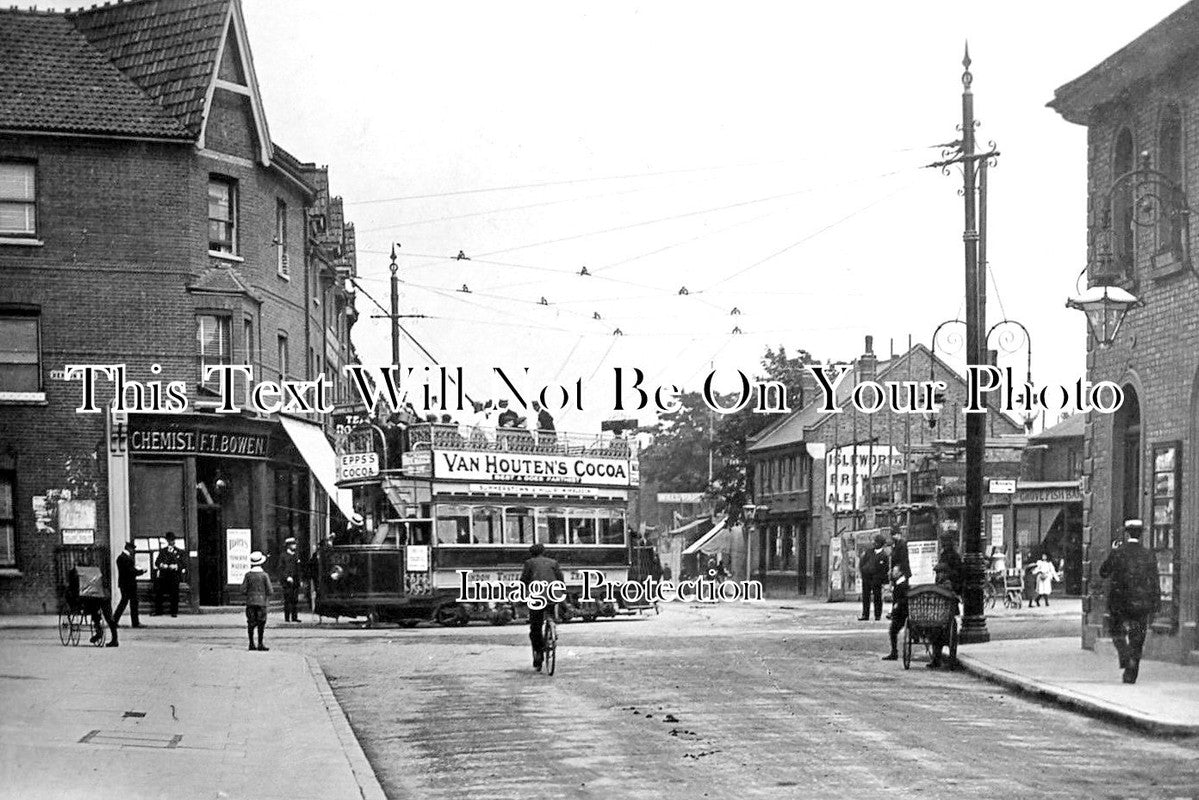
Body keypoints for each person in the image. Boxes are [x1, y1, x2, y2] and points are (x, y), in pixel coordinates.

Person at [1099, 519, 1160, 684]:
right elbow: (1155, 580)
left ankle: (1125, 655)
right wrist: (1156, 603)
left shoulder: (1118, 552)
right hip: (1142, 602)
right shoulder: (1148, 554)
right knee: (1138, 636)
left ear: (1127, 533)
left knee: (1116, 630)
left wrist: (1112, 552)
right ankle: (1131, 674)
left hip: (1120, 602)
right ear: (1141, 534)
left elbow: (1103, 572)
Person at [520, 543, 564, 671]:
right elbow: (560, 580)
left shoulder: (529, 563)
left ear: (531, 553)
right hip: (552, 596)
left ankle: (538, 654)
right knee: (550, 612)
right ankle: (552, 626)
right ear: (544, 552)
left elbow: (524, 581)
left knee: (535, 627)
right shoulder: (553, 562)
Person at [928, 533, 964, 669]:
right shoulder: (952, 556)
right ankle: (938, 657)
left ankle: (937, 658)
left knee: (939, 629)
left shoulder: (951, 557)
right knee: (942, 629)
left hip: (947, 598)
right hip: (946, 599)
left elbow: (957, 576)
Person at [74, 565, 119, 647]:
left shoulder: (83, 573)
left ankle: (99, 632)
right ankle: (114, 638)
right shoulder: (97, 572)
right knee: (109, 617)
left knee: (95, 613)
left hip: (96, 596)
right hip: (104, 595)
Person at [242, 551, 273, 651]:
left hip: (250, 602)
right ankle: (260, 643)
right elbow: (270, 590)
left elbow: (243, 589)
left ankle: (251, 643)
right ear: (261, 562)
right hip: (262, 603)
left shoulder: (248, 575)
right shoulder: (264, 575)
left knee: (250, 623)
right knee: (261, 623)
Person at [113, 540, 145, 628]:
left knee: (125, 602)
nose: (133, 551)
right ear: (129, 549)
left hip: (125, 584)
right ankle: (134, 622)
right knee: (131, 603)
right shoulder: (125, 558)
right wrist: (141, 571)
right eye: (132, 549)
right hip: (128, 584)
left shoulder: (122, 557)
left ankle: (115, 620)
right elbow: (130, 571)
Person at [857, 533, 888, 621]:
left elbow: (885, 569)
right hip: (866, 578)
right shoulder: (869, 551)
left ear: (880, 543)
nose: (874, 543)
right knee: (865, 596)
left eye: (876, 542)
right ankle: (865, 614)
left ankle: (877, 615)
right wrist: (863, 570)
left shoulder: (884, 555)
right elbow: (862, 562)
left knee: (877, 597)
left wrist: (885, 582)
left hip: (876, 579)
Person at [881, 566, 909, 661]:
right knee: (892, 631)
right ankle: (893, 652)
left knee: (893, 631)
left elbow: (902, 599)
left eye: (894, 571)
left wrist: (896, 608)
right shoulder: (899, 583)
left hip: (902, 612)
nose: (892, 573)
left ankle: (894, 652)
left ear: (900, 572)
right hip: (899, 611)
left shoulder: (902, 584)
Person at [153, 532, 184, 616]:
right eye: (170, 540)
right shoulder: (163, 551)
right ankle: (158, 611)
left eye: (173, 540)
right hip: (164, 576)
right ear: (167, 541)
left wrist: (175, 566)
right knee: (159, 593)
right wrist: (162, 565)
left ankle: (174, 612)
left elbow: (183, 564)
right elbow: (157, 562)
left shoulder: (179, 552)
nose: (172, 542)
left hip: (174, 576)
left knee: (174, 594)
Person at [281, 537, 304, 622]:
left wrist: (300, 580)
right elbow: (281, 569)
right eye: (293, 544)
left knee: (295, 600)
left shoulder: (296, 555)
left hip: (295, 581)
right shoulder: (283, 556)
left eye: (295, 544)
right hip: (287, 582)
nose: (294, 546)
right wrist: (287, 577)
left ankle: (294, 617)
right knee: (287, 600)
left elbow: (298, 569)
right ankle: (287, 618)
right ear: (288, 546)